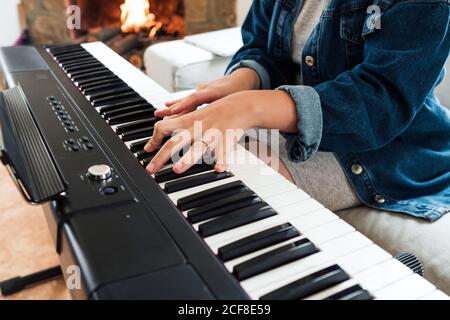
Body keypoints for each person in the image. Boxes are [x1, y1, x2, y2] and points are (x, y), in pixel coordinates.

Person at [144, 0, 450, 222]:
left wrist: (248, 106)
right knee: (179, 156)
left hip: (380, 151)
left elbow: (378, 104)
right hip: (282, 119)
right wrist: (239, 82)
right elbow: (262, 46)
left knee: (215, 191)